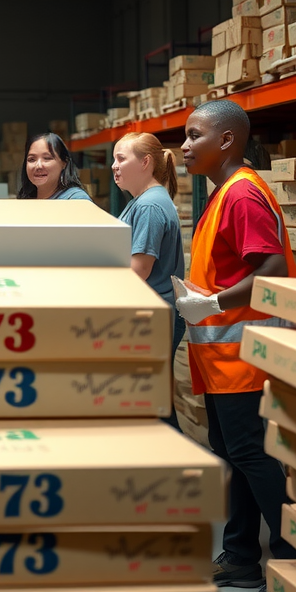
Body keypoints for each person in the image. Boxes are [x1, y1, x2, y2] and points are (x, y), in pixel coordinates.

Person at [174, 99, 296, 592]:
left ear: (226, 140)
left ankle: (292, 560)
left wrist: (211, 302)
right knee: (234, 456)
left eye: (194, 135)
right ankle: (242, 555)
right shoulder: (223, 193)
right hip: (223, 357)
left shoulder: (242, 194)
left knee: (255, 456)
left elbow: (270, 268)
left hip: (245, 356)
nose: (184, 146)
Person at [111, 132, 185, 428]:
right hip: (154, 313)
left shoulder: (149, 206)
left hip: (153, 315)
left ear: (145, 162)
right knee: (154, 403)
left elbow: (139, 269)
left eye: (121, 159)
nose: (114, 166)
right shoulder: (145, 200)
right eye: (113, 160)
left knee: (154, 407)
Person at [16, 132, 92, 200]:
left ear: (64, 163)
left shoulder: (76, 199)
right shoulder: (26, 199)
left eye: (47, 158)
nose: (38, 166)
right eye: (32, 159)